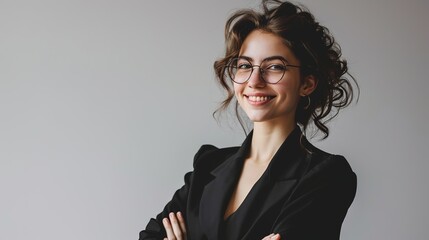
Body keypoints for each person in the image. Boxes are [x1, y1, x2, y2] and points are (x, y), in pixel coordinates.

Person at [139, 0, 358, 239]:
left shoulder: (327, 176)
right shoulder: (208, 165)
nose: (254, 81)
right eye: (245, 65)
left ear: (306, 83)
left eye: (274, 66)